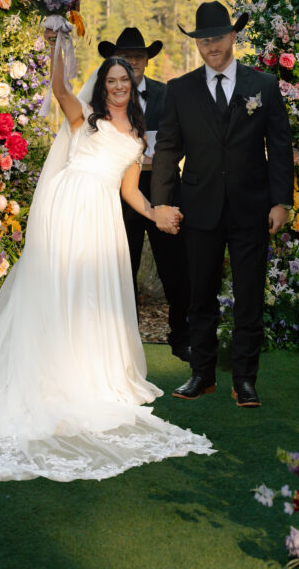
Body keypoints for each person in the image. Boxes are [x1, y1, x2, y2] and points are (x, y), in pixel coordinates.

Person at [0, 30, 213, 482]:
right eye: (112, 80)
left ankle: (87, 369)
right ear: (102, 86)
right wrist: (57, 43)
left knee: (90, 291)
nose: (119, 86)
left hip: (103, 215)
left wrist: (156, 213)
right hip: (67, 205)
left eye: (124, 81)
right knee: (60, 285)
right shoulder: (85, 118)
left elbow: (130, 192)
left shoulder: (136, 138)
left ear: (132, 86)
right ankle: (49, 370)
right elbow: (58, 88)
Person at [151, 1, 294, 409]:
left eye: (217, 37)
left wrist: (281, 201)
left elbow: (279, 147)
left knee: (249, 298)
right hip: (198, 208)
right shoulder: (180, 89)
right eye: (203, 40)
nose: (211, 46)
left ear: (233, 36)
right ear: (197, 44)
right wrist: (160, 203)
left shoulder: (263, 85)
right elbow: (167, 149)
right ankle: (202, 374)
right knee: (200, 297)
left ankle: (245, 381)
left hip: (252, 208)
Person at [98, 27, 191, 363]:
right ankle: (125, 341)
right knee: (123, 267)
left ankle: (182, 336)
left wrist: (155, 155)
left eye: (139, 56)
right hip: (120, 192)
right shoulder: (104, 98)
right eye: (127, 57)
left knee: (175, 267)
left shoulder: (168, 93)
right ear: (115, 61)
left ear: (148, 60)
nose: (134, 62)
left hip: (163, 188)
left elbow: (181, 139)